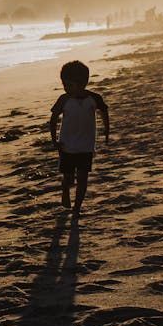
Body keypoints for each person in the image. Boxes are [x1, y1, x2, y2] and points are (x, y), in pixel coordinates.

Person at [49, 61, 110, 219]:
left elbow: (104, 111)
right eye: (64, 84)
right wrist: (54, 139)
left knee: (83, 178)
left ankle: (77, 208)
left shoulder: (94, 98)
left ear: (82, 84)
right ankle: (65, 190)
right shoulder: (63, 99)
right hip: (66, 145)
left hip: (86, 146)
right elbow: (54, 118)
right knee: (69, 178)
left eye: (69, 85)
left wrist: (107, 132)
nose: (65, 88)